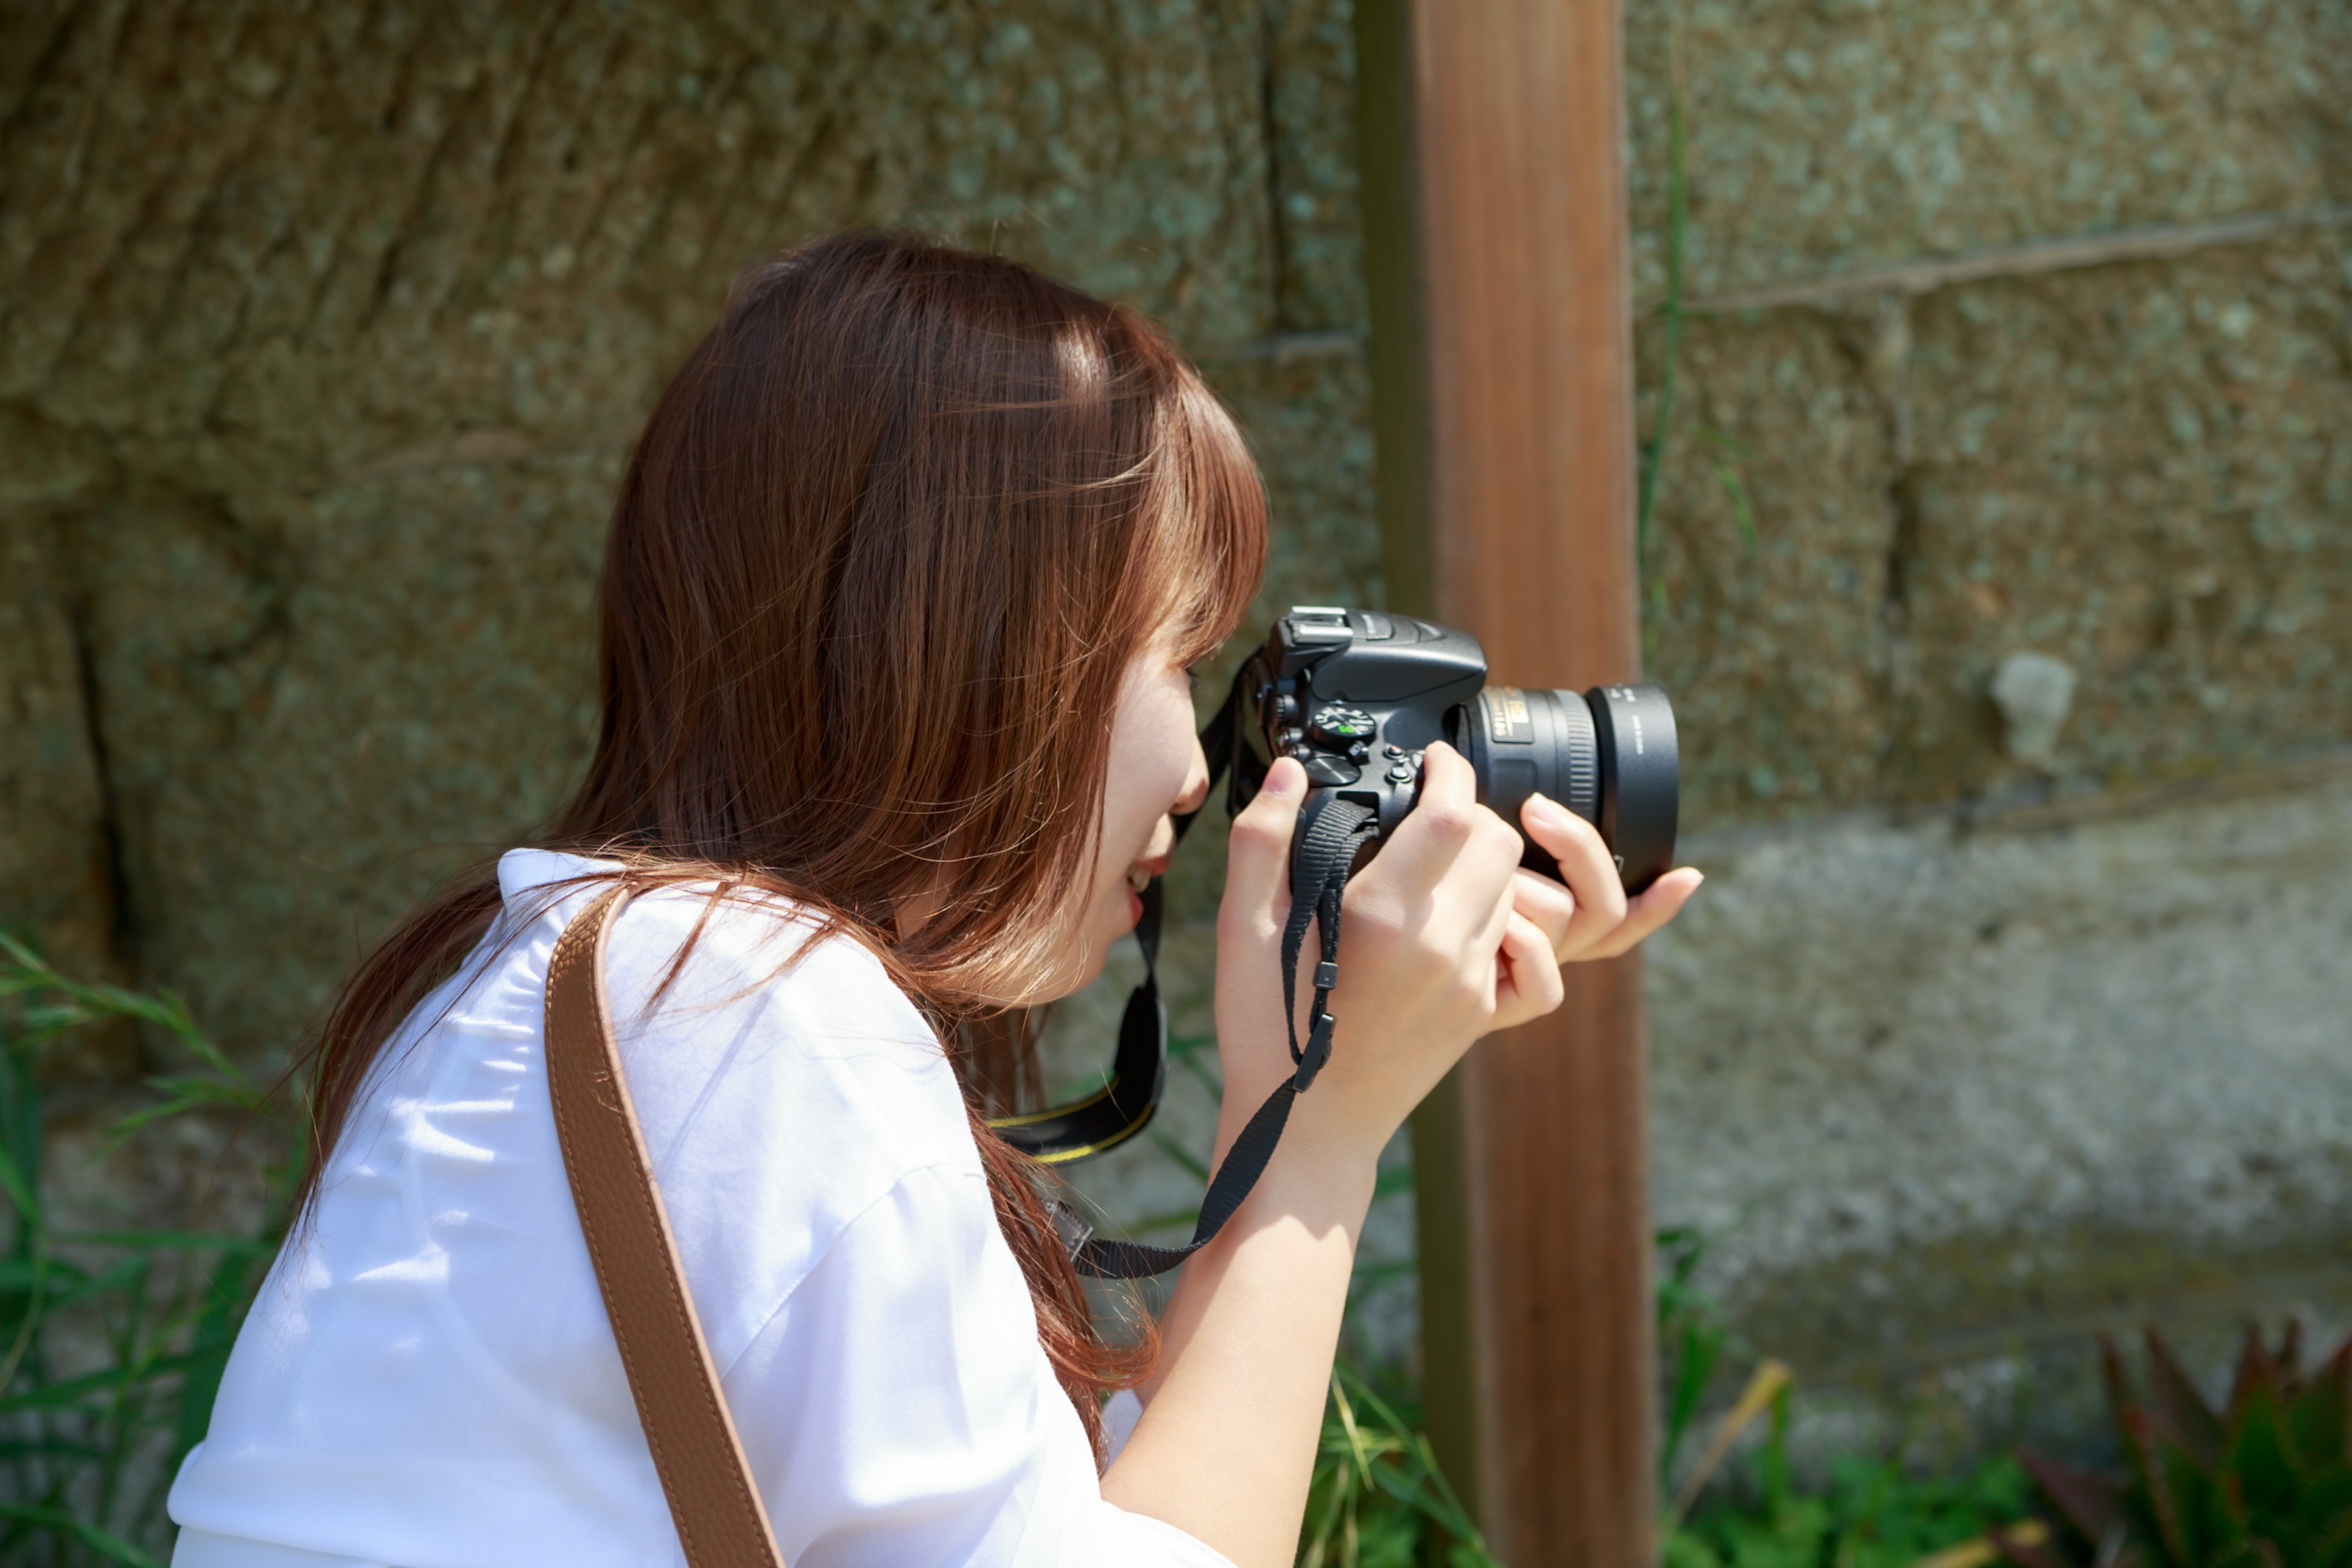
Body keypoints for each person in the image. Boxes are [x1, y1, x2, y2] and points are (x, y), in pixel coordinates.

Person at [166, 232, 1701, 1568]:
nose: (1202, 767)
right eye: (1173, 657)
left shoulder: (602, 976)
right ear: (970, 645)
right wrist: (1326, 1117)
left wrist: (1318, 1083)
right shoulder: (750, 1013)